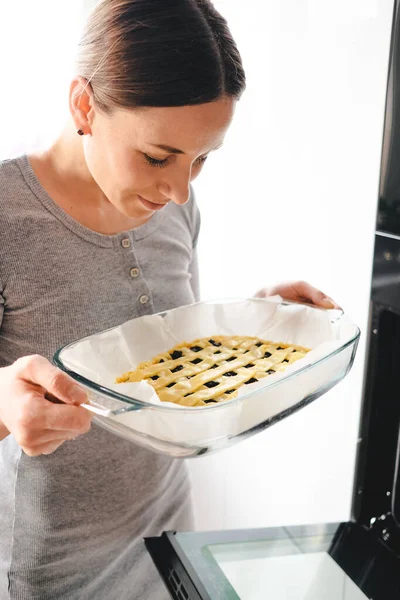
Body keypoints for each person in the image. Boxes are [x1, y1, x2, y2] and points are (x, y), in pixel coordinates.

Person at [0, 1, 337, 598]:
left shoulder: (174, 202)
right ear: (84, 106)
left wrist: (257, 326)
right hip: (51, 577)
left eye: (201, 158)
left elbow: (167, 344)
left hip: (172, 549)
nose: (179, 188)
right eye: (158, 157)